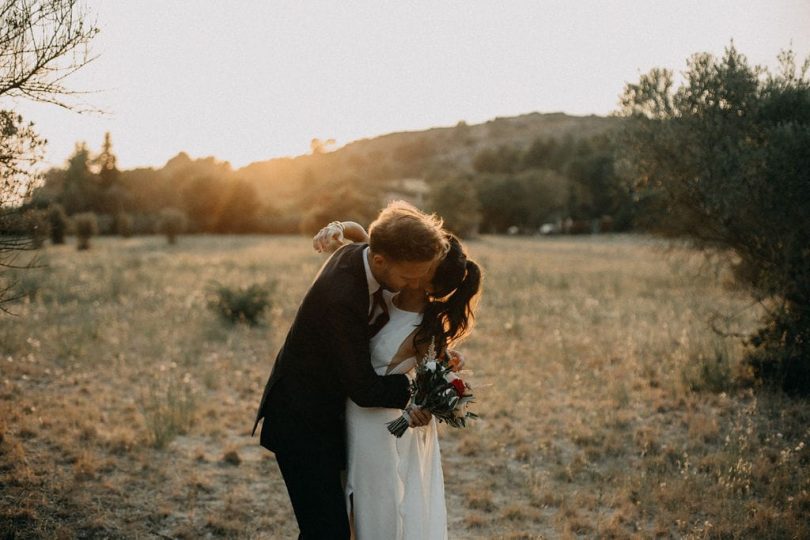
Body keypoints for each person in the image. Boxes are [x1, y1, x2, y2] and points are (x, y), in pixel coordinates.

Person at [252, 201, 447, 539]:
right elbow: (365, 388)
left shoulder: (359, 253)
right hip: (301, 424)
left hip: (328, 417)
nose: (411, 285)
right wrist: (419, 394)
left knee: (330, 525)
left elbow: (362, 234)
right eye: (407, 277)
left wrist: (343, 225)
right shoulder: (342, 298)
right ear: (380, 260)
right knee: (327, 531)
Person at [313, 220, 482, 540]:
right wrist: (339, 226)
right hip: (355, 414)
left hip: (379, 424)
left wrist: (425, 404)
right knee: (351, 502)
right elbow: (368, 241)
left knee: (378, 505)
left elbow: (433, 376)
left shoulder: (423, 328)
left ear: (427, 280)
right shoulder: (388, 292)